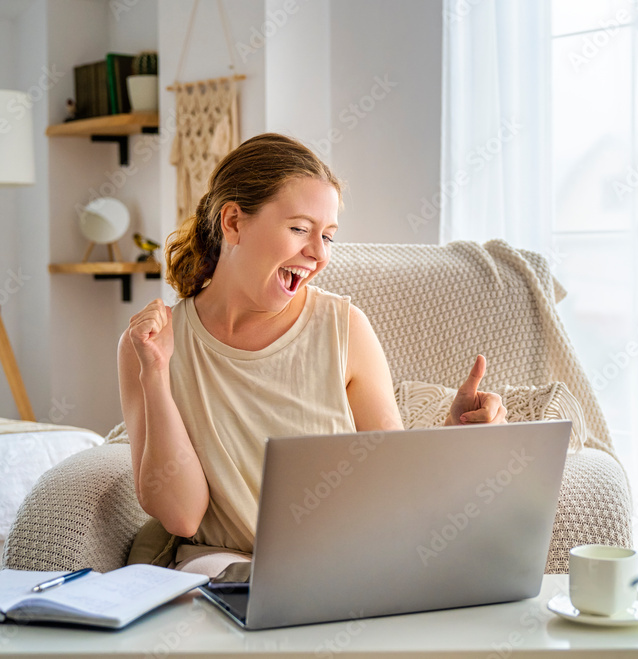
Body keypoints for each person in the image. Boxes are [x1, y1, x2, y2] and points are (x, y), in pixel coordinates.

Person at [118, 133, 507, 578]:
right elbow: (182, 517)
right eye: (300, 229)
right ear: (232, 222)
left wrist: (453, 436)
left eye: (328, 236)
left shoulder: (345, 329)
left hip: (340, 563)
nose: (319, 253)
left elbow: (395, 488)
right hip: (223, 569)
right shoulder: (150, 345)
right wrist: (156, 373)